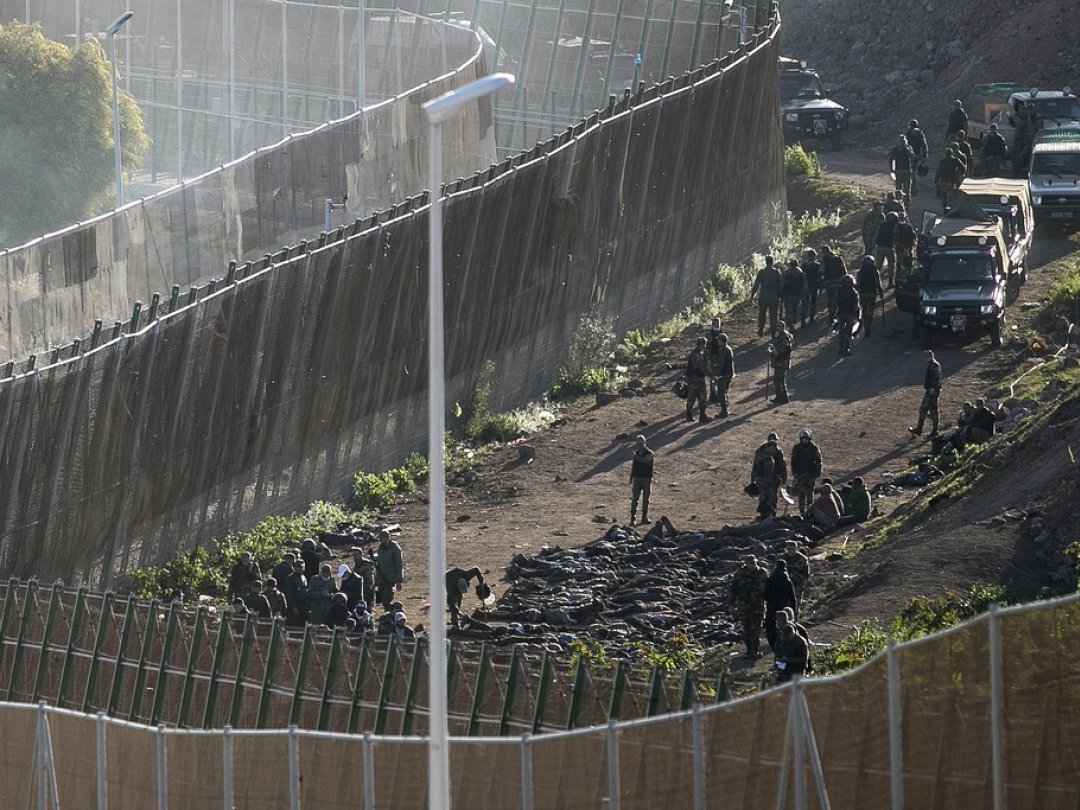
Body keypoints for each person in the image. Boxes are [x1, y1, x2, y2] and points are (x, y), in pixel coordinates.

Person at [728, 555, 768, 657]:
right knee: (746, 629)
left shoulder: (762, 573)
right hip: (744, 606)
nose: (752, 565)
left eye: (754, 563)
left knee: (756, 628)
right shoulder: (739, 574)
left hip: (758, 606)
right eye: (750, 563)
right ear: (746, 563)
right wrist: (731, 604)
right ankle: (749, 650)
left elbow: (769, 587)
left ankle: (755, 650)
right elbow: (734, 590)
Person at [763, 559, 797, 651]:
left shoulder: (770, 580)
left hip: (772, 608)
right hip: (784, 609)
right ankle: (784, 647)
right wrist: (794, 611)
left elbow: (765, 596)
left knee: (770, 629)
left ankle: (774, 647)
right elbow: (793, 598)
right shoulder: (787, 580)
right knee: (784, 628)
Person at [751, 433, 787, 519]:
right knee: (772, 497)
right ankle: (771, 515)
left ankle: (764, 515)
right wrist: (784, 477)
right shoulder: (778, 451)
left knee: (764, 496)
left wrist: (753, 478)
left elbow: (755, 465)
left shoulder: (760, 450)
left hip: (762, 478)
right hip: (773, 479)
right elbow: (782, 465)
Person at [909, 349, 942, 436]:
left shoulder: (935, 366)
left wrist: (933, 388)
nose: (925, 359)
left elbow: (937, 379)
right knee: (931, 410)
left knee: (927, 410)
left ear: (931, 356)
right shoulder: (932, 365)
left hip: (932, 392)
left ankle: (923, 429)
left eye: (926, 357)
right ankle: (931, 430)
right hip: (931, 391)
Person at [789, 428, 822, 515]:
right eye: (803, 439)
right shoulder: (797, 448)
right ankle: (802, 511)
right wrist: (795, 473)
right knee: (801, 493)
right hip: (800, 475)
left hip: (811, 474)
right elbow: (793, 461)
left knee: (810, 493)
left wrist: (817, 472)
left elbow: (819, 460)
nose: (804, 441)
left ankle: (810, 511)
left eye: (806, 439)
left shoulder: (814, 448)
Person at [750, 255, 784, 337]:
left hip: (763, 295)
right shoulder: (777, 272)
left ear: (766, 262)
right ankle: (773, 333)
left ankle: (760, 330)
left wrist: (752, 296)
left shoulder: (761, 272)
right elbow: (780, 285)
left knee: (762, 314)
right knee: (773, 315)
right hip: (773, 295)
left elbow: (756, 284)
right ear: (772, 262)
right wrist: (781, 295)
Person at [374, 529, 404, 613]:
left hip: (390, 579)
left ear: (387, 538)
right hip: (382, 578)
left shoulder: (395, 548)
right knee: (382, 598)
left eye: (382, 538)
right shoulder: (381, 548)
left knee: (386, 599)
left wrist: (399, 580)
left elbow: (399, 564)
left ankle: (396, 612)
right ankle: (390, 613)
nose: (380, 540)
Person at [684, 336, 711, 423]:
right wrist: (711, 375)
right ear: (703, 344)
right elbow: (703, 368)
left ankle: (689, 415)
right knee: (702, 397)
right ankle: (702, 416)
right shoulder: (698, 355)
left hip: (692, 379)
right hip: (697, 379)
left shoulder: (694, 353)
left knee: (691, 397)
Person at [629, 434, 654, 525]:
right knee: (635, 498)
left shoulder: (649, 453)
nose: (639, 446)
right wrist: (631, 478)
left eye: (641, 443)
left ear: (644, 443)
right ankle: (633, 518)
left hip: (646, 478)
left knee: (646, 498)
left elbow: (646, 461)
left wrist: (635, 457)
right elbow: (634, 467)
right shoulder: (637, 454)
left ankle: (644, 516)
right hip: (637, 478)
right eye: (638, 444)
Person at [856, 255, 884, 333]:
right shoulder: (875, 271)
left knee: (864, 310)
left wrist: (857, 294)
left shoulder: (860, 272)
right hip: (872, 293)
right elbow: (878, 283)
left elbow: (857, 284)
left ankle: (864, 326)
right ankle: (868, 327)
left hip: (862, 294)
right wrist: (881, 292)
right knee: (870, 311)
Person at [834, 275, 860, 357]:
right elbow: (856, 305)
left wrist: (834, 315)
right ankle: (847, 348)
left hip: (841, 313)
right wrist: (858, 315)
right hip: (850, 314)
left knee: (841, 331)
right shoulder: (854, 292)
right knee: (848, 332)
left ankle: (840, 348)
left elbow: (835, 303)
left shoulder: (839, 291)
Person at [820, 245, 847, 321]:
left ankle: (831, 313)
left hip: (829, 281)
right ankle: (838, 312)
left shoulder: (824, 260)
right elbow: (844, 269)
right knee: (838, 296)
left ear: (824, 252)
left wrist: (821, 281)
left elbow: (821, 271)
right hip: (839, 280)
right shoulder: (838, 258)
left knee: (830, 297)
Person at [769, 321, 793, 405]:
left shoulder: (784, 338)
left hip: (781, 362)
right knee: (782, 381)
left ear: (783, 327)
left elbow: (780, 351)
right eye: (777, 326)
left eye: (779, 326)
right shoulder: (785, 336)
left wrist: (773, 351)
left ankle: (779, 398)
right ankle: (785, 398)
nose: (777, 328)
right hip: (783, 362)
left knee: (777, 380)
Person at [782, 540, 811, 611]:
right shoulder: (782, 558)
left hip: (797, 587)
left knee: (795, 606)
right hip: (784, 587)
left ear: (796, 549)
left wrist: (795, 577)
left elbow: (806, 575)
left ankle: (795, 620)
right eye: (789, 549)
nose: (790, 551)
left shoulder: (802, 559)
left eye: (792, 549)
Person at [712, 332, 735, 418]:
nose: (717, 341)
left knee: (721, 392)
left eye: (718, 340)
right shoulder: (729, 348)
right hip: (729, 373)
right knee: (725, 391)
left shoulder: (722, 350)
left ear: (722, 341)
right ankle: (726, 409)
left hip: (724, 374)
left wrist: (716, 374)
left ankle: (724, 411)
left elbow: (721, 364)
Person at [890, 134, 916, 206]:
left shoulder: (908, 148)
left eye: (903, 141)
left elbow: (913, 157)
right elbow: (891, 159)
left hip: (907, 170)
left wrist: (906, 149)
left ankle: (907, 204)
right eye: (900, 141)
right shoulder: (895, 149)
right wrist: (891, 169)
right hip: (898, 171)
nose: (902, 142)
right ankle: (898, 203)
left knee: (907, 189)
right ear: (898, 141)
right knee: (898, 189)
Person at [874, 212, 899, 288]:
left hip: (880, 247)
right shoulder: (895, 226)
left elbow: (876, 235)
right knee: (891, 265)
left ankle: (875, 282)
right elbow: (895, 237)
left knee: (878, 266)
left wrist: (873, 246)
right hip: (889, 248)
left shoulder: (882, 225)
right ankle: (890, 283)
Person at [904, 119, 929, 194]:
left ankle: (911, 189)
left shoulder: (907, 134)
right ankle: (912, 189)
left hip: (909, 155)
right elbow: (924, 145)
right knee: (912, 172)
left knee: (910, 172)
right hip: (916, 155)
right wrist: (924, 156)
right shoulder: (920, 134)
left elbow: (904, 145)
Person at [782, 259, 808, 330]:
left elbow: (783, 284)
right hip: (798, 293)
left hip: (788, 294)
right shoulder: (801, 272)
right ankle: (797, 322)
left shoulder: (786, 272)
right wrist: (805, 294)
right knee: (795, 308)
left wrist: (782, 294)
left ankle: (791, 325)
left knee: (789, 310)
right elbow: (804, 284)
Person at [283, 560, 308, 626]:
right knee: (293, 624)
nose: (300, 569)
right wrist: (293, 606)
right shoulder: (290, 578)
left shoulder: (303, 577)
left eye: (302, 567)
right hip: (294, 605)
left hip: (303, 605)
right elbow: (288, 594)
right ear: (294, 568)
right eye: (298, 567)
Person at [705, 317, 725, 403]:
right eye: (714, 324)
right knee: (712, 377)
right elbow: (706, 348)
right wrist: (707, 359)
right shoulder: (709, 335)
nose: (716, 325)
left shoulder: (722, 334)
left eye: (717, 324)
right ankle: (713, 395)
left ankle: (720, 395)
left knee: (721, 376)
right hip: (712, 358)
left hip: (721, 358)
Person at [893, 212, 917, 280]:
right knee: (900, 264)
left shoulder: (908, 226)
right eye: (900, 217)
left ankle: (909, 276)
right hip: (901, 249)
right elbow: (895, 239)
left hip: (908, 248)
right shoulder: (897, 227)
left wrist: (912, 244)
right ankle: (898, 278)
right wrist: (902, 247)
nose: (901, 218)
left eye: (902, 217)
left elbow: (913, 236)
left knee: (909, 263)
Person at [800, 249, 821, 325]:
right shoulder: (817, 265)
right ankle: (811, 319)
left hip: (805, 287)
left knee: (804, 304)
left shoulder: (804, 265)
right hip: (813, 286)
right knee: (813, 303)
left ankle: (803, 320)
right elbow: (820, 275)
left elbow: (800, 276)